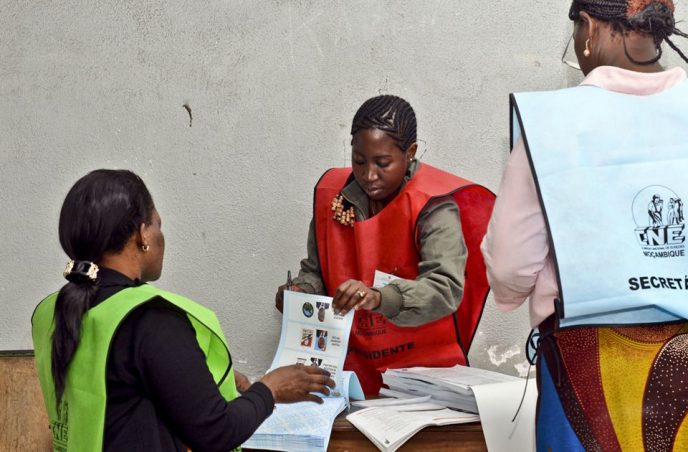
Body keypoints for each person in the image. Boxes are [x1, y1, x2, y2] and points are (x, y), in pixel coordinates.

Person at [482, 1, 688, 450]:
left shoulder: (553, 126)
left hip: (594, 361)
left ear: (587, 28)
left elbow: (511, 267)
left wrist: (512, 296)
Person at [32, 169, 335, 451]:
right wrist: (270, 389)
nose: (161, 236)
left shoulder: (51, 312)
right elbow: (217, 432)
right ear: (142, 236)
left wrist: (201, 378)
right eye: (157, 225)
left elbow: (119, 395)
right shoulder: (149, 319)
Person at [275, 95, 495, 394]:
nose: (368, 175)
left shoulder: (433, 205)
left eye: (383, 163)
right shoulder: (334, 199)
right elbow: (317, 271)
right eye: (358, 160)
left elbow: (445, 289)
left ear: (411, 152)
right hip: (352, 368)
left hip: (424, 374)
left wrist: (379, 298)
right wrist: (300, 292)